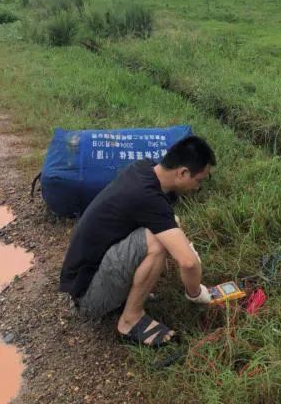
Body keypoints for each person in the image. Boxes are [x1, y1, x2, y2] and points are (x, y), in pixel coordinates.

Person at [59, 135, 216, 347]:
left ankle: (128, 293)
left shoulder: (145, 170)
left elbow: (168, 223)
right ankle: (129, 320)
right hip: (88, 296)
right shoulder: (147, 197)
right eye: (198, 181)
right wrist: (196, 294)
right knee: (158, 242)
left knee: (169, 226)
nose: (199, 187)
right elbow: (188, 263)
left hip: (85, 274)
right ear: (183, 173)